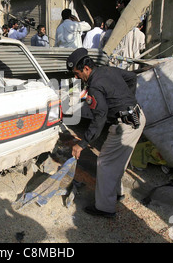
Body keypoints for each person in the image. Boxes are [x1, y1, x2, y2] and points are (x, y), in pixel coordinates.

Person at [67, 48, 146, 218]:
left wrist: (81, 144)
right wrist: (128, 101)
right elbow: (132, 77)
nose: (76, 77)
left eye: (77, 73)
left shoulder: (94, 86)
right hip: (138, 117)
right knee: (118, 160)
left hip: (124, 125)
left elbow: (99, 119)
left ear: (86, 69)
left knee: (105, 162)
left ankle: (105, 207)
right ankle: (116, 193)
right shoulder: (106, 69)